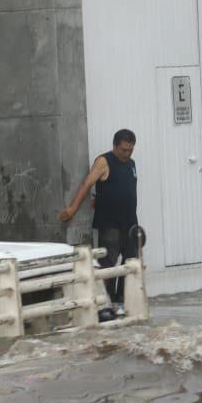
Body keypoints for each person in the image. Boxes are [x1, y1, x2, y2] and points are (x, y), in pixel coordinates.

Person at [60, 128, 139, 306]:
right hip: (110, 224)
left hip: (130, 224)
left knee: (131, 263)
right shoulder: (104, 161)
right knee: (108, 266)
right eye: (123, 150)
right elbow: (87, 184)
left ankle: (123, 302)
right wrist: (72, 209)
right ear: (114, 146)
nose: (127, 154)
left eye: (130, 150)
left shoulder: (132, 164)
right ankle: (107, 304)